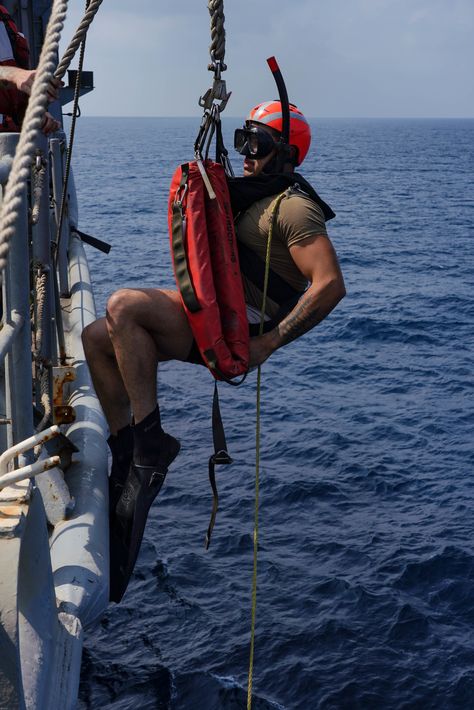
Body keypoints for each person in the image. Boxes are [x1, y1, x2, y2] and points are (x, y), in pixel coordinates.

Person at [82, 100, 346, 601]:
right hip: (216, 309)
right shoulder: (254, 194)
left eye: (258, 145)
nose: (247, 154)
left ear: (286, 153)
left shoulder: (293, 206)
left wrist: (269, 341)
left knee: (125, 307)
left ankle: (151, 441)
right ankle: (127, 450)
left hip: (241, 325)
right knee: (97, 339)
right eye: (243, 140)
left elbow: (330, 284)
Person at [0, 3, 60, 134]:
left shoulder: (5, 21)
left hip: (11, 141)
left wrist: (33, 115)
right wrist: (15, 76)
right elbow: (15, 77)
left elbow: (12, 101)